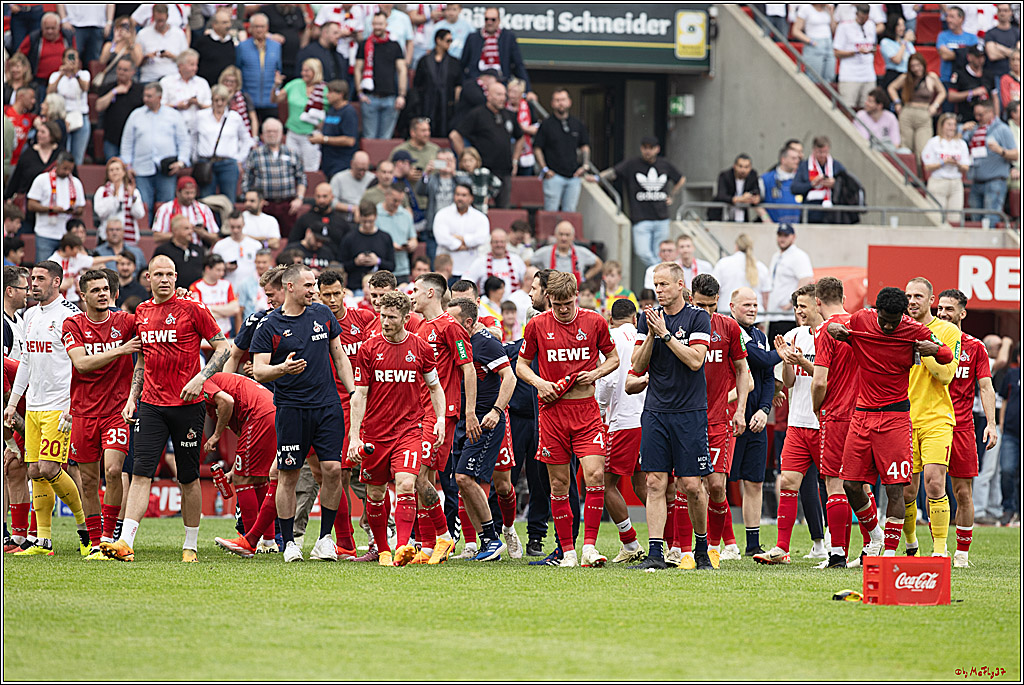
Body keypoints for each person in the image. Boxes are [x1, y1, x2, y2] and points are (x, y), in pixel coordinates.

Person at [98, 254, 229, 562]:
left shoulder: (193, 308)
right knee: (141, 473)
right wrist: (133, 398)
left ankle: (191, 545)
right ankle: (125, 542)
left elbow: (223, 346)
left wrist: (201, 377)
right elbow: (141, 360)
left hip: (188, 405)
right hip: (151, 405)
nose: (165, 279)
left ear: (176, 276)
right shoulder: (141, 312)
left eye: (170, 274)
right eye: (159, 274)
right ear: (149, 279)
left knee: (188, 477)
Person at [827, 287, 954, 558]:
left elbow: (946, 355)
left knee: (896, 487)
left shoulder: (912, 329)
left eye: (893, 321)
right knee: (850, 483)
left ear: (903, 316)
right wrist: (836, 331)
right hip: (862, 415)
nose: (887, 325)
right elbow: (832, 327)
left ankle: (889, 554)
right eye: (884, 319)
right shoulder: (861, 319)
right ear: (876, 311)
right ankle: (875, 536)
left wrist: (935, 349)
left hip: (895, 417)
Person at [250, 264, 355, 562]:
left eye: (314, 285)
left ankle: (324, 540)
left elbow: (339, 354)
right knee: (289, 474)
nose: (314, 290)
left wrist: (353, 390)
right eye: (308, 285)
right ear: (290, 288)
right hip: (292, 409)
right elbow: (258, 370)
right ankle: (290, 543)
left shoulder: (323, 315)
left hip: (328, 406)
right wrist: (282, 369)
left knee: (333, 470)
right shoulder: (269, 325)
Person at [514, 271, 617, 568]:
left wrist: (595, 373)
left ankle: (589, 547)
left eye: (568, 304)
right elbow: (521, 365)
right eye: (557, 304)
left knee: (595, 475)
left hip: (585, 411)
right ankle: (567, 552)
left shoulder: (594, 321)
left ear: (577, 297)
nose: (563, 309)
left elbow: (613, 359)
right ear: (549, 299)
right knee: (558, 484)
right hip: (552, 413)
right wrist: (539, 383)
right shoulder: (536, 325)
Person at [624, 262, 713, 571]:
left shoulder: (698, 317)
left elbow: (695, 360)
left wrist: (665, 335)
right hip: (656, 411)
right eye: (655, 284)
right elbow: (636, 365)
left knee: (690, 484)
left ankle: (702, 549)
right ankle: (655, 553)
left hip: (689, 412)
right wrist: (651, 334)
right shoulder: (646, 320)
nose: (659, 290)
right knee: (654, 482)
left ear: (679, 284)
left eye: (663, 284)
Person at [347, 290, 442, 566]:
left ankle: (402, 546)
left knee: (406, 483)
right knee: (375, 493)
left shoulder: (421, 347)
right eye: (382, 316)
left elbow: (435, 387)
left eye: (391, 317)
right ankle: (384, 550)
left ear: (405, 317)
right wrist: (355, 437)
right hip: (375, 433)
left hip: (409, 431)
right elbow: (360, 395)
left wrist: (439, 421)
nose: (385, 321)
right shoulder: (369, 349)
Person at [3, 262, 87, 557]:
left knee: (50, 468)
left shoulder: (71, 316)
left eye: (39, 279)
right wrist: (13, 404)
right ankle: (44, 541)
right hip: (35, 406)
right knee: (35, 471)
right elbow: (25, 362)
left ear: (56, 282)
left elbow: (81, 366)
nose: (33, 284)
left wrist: (73, 406)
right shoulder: (29, 315)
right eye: (32, 279)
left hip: (59, 405)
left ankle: (84, 528)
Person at [61, 269, 138, 556]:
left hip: (117, 410)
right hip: (83, 411)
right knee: (90, 480)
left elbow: (154, 317)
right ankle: (93, 542)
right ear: (83, 295)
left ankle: (108, 536)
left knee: (114, 470)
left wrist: (179, 298)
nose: (103, 294)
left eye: (106, 288)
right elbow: (81, 364)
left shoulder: (125, 321)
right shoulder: (73, 325)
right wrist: (121, 351)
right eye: (95, 290)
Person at [754, 284, 828, 565]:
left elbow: (827, 379)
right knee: (788, 481)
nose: (798, 311)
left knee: (836, 485)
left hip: (824, 423)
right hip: (798, 422)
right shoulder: (794, 335)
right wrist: (787, 361)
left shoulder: (829, 335)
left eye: (803, 306)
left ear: (817, 305)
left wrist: (803, 362)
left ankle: (839, 545)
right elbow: (791, 381)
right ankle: (781, 548)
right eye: (796, 306)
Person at [407, 272, 476, 563]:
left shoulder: (450, 327)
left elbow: (469, 369)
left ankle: (444, 536)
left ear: (432, 294)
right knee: (427, 479)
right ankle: (426, 545)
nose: (413, 295)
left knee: (418, 478)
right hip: (417, 412)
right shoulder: (422, 328)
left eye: (417, 290)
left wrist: (470, 412)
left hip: (440, 415)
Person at [445, 295, 518, 560]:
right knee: (461, 483)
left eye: (451, 320)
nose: (446, 325)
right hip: (463, 421)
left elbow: (509, 377)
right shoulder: (458, 344)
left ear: (467, 321)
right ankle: (486, 543)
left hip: (483, 422)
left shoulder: (485, 343)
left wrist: (496, 411)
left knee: (468, 479)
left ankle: (493, 538)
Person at [688, 274, 749, 563]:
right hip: (685, 418)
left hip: (718, 420)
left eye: (712, 305)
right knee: (686, 486)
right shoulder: (680, 325)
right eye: (701, 305)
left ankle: (715, 547)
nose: (707, 312)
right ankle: (680, 548)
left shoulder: (728, 327)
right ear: (690, 299)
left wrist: (739, 409)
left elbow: (742, 371)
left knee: (715, 485)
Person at [935, 288, 998, 567]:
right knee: (930, 487)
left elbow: (985, 386)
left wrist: (991, 424)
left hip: (961, 426)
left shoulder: (974, 347)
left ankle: (961, 554)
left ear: (962, 313)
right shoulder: (926, 341)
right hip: (930, 424)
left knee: (962, 492)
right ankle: (933, 548)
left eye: (949, 309)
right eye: (940, 308)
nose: (943, 313)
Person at [901, 277, 962, 558]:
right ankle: (911, 541)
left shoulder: (948, 331)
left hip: (937, 418)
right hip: (902, 418)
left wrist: (924, 349)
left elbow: (946, 374)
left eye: (918, 296)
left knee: (935, 482)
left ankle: (940, 549)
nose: (912, 301)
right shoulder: (896, 328)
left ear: (931, 299)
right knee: (906, 492)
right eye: (908, 296)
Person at [728, 287, 781, 557]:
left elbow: (769, 376)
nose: (752, 309)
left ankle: (752, 543)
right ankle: (722, 542)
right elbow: (761, 359)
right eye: (746, 304)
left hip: (757, 420)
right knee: (720, 482)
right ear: (732, 306)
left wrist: (763, 409)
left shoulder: (760, 334)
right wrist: (782, 353)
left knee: (755, 482)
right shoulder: (731, 332)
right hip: (731, 419)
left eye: (755, 305)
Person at [204, 371, 280, 557]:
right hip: (272, 412)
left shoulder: (204, 383)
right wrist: (237, 468)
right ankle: (269, 541)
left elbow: (227, 402)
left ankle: (247, 541)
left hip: (259, 416)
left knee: (243, 480)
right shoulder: (224, 379)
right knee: (260, 479)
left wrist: (216, 436)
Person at [593, 299, 646, 563]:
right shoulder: (644, 336)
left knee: (603, 483)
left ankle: (630, 542)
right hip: (648, 419)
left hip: (623, 420)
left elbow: (607, 379)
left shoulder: (609, 339)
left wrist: (599, 410)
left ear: (610, 318)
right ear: (635, 318)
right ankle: (673, 542)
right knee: (645, 483)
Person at [597, 136, 685, 268]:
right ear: (641, 148)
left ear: (657, 149)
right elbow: (614, 172)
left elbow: (681, 179)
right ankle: (659, 271)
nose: (647, 151)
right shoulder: (632, 164)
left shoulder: (664, 164)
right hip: (640, 218)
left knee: (662, 253)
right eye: (645, 148)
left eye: (651, 148)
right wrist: (596, 177)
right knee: (643, 252)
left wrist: (672, 195)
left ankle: (658, 278)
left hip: (661, 218)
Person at [120, 82, 191, 220]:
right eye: (145, 96)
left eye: (149, 96)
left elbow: (184, 140)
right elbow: (127, 142)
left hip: (167, 169)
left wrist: (181, 162)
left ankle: (163, 233)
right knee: (144, 206)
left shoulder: (173, 115)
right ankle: (146, 237)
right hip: (141, 169)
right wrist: (127, 165)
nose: (145, 99)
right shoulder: (136, 115)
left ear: (159, 97)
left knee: (166, 206)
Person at [450, 82, 524, 208]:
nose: (503, 98)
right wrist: (466, 158)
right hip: (482, 172)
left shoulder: (509, 115)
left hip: (505, 171)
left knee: (503, 211)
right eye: (499, 94)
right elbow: (454, 135)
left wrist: (515, 160)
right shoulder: (477, 114)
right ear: (488, 95)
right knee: (479, 208)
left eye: (504, 95)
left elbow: (520, 137)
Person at [242, 118, 307, 237]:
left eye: (275, 131)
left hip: (288, 205)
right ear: (263, 135)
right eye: (268, 131)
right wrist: (254, 200)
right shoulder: (255, 154)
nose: (272, 134)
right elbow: (247, 179)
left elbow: (301, 177)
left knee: (288, 238)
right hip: (265, 205)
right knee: (265, 238)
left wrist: (299, 199)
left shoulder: (292, 153)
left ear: (281, 134)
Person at [533, 89, 591, 213]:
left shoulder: (577, 124)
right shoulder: (546, 124)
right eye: (557, 100)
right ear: (552, 103)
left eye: (563, 100)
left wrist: (585, 166)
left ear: (569, 102)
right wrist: (544, 169)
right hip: (553, 176)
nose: (561, 103)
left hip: (574, 177)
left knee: (570, 212)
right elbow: (537, 148)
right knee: (550, 212)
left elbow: (584, 145)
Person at [355, 12, 408, 140]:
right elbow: (358, 69)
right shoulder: (364, 45)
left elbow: (402, 70)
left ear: (386, 25)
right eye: (375, 24)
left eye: (380, 24)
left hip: (390, 98)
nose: (377, 27)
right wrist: (360, 93)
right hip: (370, 97)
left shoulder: (394, 45)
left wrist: (401, 95)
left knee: (385, 139)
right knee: (369, 138)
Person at [963, 100, 1018, 223]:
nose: (977, 118)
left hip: (995, 182)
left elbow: (1015, 155)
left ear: (990, 112)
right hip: (976, 181)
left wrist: (1000, 151)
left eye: (981, 115)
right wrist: (962, 131)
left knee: (990, 219)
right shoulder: (974, 129)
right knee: (975, 220)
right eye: (976, 115)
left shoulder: (1003, 129)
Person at [25, 151, 85, 262]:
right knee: (44, 268)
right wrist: (51, 209)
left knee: (64, 270)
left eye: (70, 169)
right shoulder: (42, 179)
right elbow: (31, 205)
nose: (67, 172)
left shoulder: (76, 183)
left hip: (66, 234)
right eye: (64, 168)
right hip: (45, 233)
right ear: (57, 164)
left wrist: (73, 210)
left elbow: (81, 207)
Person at [194, 84, 252, 199]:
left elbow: (246, 139)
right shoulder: (201, 116)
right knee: (206, 200)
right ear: (212, 100)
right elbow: (193, 138)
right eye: (216, 100)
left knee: (228, 200)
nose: (219, 103)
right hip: (206, 163)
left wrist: (240, 159)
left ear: (227, 101)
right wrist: (195, 156)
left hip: (228, 163)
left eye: (222, 100)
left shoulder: (234, 117)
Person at [5, 120, 60, 236]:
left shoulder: (61, 155)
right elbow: (16, 178)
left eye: (43, 132)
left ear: (52, 135)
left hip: (52, 211)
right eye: (38, 131)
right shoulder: (28, 154)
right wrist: (7, 197)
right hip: (27, 209)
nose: (39, 134)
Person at [888, 54, 946, 159]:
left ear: (923, 65)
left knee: (923, 149)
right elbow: (891, 87)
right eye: (913, 66)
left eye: (918, 65)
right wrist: (897, 102)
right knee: (906, 147)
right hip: (907, 112)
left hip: (924, 113)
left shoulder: (931, 77)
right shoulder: (905, 77)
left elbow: (942, 92)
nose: (916, 69)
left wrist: (935, 105)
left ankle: (920, 173)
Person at [461, 6, 531, 90]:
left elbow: (518, 65)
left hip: (501, 81)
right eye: (486, 19)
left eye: (493, 20)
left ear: (499, 21)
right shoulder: (473, 37)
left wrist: (527, 90)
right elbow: (463, 64)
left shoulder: (508, 37)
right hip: (477, 82)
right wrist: (462, 84)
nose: (489, 22)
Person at [766, 224, 815, 340]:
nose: (782, 239)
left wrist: (792, 303)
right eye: (780, 235)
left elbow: (806, 279)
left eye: (786, 235)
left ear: (793, 237)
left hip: (787, 317)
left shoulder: (798, 256)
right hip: (774, 314)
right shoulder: (777, 256)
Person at [921, 112, 972, 220]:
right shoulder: (933, 142)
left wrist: (957, 164)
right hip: (938, 181)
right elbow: (927, 166)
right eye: (949, 124)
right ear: (942, 125)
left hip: (955, 182)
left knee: (955, 217)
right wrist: (944, 162)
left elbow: (966, 167)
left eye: (954, 125)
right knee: (936, 217)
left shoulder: (961, 143)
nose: (952, 128)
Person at [432, 183, 489, 277]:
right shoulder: (442, 214)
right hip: (446, 270)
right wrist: (466, 245)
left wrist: (461, 239)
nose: (460, 198)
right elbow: (442, 239)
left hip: (471, 268)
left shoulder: (480, 217)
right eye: (457, 194)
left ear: (471, 198)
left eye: (464, 195)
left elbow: (481, 238)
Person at [235, 14, 283, 125]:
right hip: (249, 100)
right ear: (250, 28)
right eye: (256, 26)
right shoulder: (242, 47)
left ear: (267, 28)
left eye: (262, 26)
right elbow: (238, 70)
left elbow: (278, 70)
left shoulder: (276, 46)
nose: (259, 29)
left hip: (270, 101)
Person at [338, 200, 396, 292]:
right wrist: (356, 262)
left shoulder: (385, 238)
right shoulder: (349, 238)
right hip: (356, 287)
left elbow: (392, 266)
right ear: (359, 217)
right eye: (364, 221)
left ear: (376, 217)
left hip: (381, 289)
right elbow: (342, 265)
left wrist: (377, 261)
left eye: (370, 221)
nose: (367, 225)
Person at [413, 29, 462, 137]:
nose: (449, 43)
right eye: (447, 40)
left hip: (446, 104)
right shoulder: (424, 61)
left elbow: (458, 84)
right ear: (438, 40)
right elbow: (417, 83)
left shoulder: (454, 62)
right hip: (427, 102)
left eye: (451, 41)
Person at [17, 11, 76, 100]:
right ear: (42, 28)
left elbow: (73, 55)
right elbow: (19, 56)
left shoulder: (67, 37)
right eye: (47, 28)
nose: (50, 31)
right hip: (40, 83)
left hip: (63, 80)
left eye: (53, 28)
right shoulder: (34, 38)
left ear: (59, 27)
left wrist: (71, 67)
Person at [160, 49, 212, 149]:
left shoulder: (202, 83)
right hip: (172, 130)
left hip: (196, 131)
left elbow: (210, 106)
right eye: (192, 65)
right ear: (180, 65)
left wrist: (198, 104)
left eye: (196, 65)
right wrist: (176, 106)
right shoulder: (167, 82)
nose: (195, 68)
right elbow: (160, 104)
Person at [46, 48, 90, 166]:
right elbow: (49, 92)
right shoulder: (55, 75)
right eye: (69, 58)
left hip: (81, 117)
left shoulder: (84, 74)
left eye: (74, 58)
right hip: (62, 118)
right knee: (63, 153)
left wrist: (75, 74)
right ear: (63, 60)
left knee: (78, 157)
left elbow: (85, 88)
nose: (71, 61)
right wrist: (62, 74)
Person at [95, 61, 146, 163]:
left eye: (125, 70)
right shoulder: (108, 87)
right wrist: (114, 92)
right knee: (113, 170)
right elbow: (98, 107)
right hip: (112, 139)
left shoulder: (140, 90)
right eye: (119, 69)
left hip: (134, 139)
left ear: (133, 72)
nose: (121, 72)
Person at [792, 135, 847, 224]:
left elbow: (847, 186)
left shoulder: (836, 166)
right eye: (819, 152)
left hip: (832, 214)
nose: (822, 155)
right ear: (814, 150)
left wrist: (834, 184)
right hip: (811, 214)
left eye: (825, 152)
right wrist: (812, 184)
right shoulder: (805, 166)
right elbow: (794, 188)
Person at [152, 176, 220, 246]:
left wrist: (203, 233)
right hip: (173, 250)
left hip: (198, 250)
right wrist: (179, 235)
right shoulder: (165, 209)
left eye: (192, 193)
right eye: (187, 193)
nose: (190, 196)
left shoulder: (204, 209)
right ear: (178, 192)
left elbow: (215, 236)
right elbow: (157, 237)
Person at [530, 221, 603, 286]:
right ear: (555, 235)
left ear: (573, 237)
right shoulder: (545, 252)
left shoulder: (581, 252)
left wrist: (584, 278)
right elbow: (527, 263)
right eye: (561, 234)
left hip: (574, 294)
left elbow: (599, 263)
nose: (564, 238)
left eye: (567, 235)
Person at [833, 4, 878, 109]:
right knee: (848, 108)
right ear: (857, 14)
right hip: (850, 76)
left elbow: (873, 46)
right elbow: (836, 53)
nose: (864, 19)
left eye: (866, 17)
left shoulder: (871, 25)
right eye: (862, 17)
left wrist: (871, 51)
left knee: (868, 110)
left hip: (868, 75)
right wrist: (856, 52)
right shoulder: (844, 26)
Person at [311, 80, 359, 179]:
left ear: (340, 94)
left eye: (330, 92)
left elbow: (350, 140)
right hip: (328, 162)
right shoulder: (331, 110)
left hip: (341, 164)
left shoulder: (348, 112)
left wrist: (324, 140)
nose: (327, 95)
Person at [711, 234, 769, 315]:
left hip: (728, 313)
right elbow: (765, 297)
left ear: (736, 246)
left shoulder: (723, 264)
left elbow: (714, 290)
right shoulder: (761, 267)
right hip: (754, 316)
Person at [289, 182, 352, 254]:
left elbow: (347, 248)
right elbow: (293, 244)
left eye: (325, 196)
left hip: (333, 262)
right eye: (318, 196)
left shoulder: (341, 222)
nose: (321, 200)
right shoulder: (304, 219)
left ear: (332, 197)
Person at [463, 228, 526, 298]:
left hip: (512, 305)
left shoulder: (516, 260)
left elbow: (527, 280)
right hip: (488, 305)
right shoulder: (481, 261)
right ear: (490, 243)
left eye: (502, 242)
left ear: (506, 243)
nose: (499, 245)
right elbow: (466, 281)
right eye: (496, 242)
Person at [135, 4, 189, 84]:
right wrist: (146, 57)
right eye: (158, 21)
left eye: (162, 21)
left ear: (167, 17)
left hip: (172, 78)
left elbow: (186, 60)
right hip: (150, 78)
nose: (160, 24)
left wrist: (172, 56)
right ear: (153, 17)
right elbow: (136, 62)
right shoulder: (142, 34)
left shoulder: (178, 34)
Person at [997, 345, 1021, 526]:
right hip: (1011, 433)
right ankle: (1008, 509)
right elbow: (1004, 399)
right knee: (1007, 470)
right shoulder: (1012, 375)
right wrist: (1002, 423)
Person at [189, 254, 241, 335]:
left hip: (225, 333)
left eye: (223, 270)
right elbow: (198, 314)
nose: (222, 273)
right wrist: (225, 311)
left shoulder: (226, 285)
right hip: (204, 336)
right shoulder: (196, 287)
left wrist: (209, 308)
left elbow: (235, 309)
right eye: (218, 270)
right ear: (208, 269)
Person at [375, 187, 417, 282]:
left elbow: (413, 238)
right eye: (394, 201)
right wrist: (390, 245)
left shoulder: (406, 215)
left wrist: (412, 244)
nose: (397, 204)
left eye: (400, 201)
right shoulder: (376, 214)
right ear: (386, 196)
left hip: (402, 268)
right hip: (382, 269)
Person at [153, 215, 207, 288]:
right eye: (186, 229)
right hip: (173, 294)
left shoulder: (199, 249)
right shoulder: (163, 250)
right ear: (175, 231)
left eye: (191, 229)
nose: (191, 232)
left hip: (196, 294)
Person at [948, 45, 996, 125]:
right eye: (977, 57)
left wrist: (995, 117)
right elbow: (951, 96)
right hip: (966, 119)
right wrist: (972, 92)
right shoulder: (959, 74)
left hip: (986, 120)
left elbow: (995, 98)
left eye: (982, 56)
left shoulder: (989, 74)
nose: (980, 60)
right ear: (969, 57)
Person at [936, 6, 978, 94]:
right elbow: (945, 55)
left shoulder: (972, 38)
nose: (948, 20)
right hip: (947, 78)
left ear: (961, 19)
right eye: (947, 16)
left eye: (952, 17)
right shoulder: (942, 36)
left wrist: (954, 53)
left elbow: (974, 58)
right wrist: (964, 52)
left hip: (967, 79)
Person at [96, 16, 144, 92]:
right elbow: (102, 61)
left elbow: (137, 62)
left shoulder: (136, 46)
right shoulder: (109, 45)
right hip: (111, 78)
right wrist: (114, 42)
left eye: (126, 27)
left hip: (130, 79)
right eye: (120, 26)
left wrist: (130, 43)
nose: (123, 30)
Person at [260, 4, 308, 80]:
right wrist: (271, 36)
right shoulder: (266, 10)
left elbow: (304, 30)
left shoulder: (297, 11)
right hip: (276, 61)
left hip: (294, 60)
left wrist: (303, 48)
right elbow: (256, 29)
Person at [710, 154, 761, 222]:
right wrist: (740, 199)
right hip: (722, 214)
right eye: (740, 166)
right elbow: (721, 195)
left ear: (750, 168)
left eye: (746, 167)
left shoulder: (753, 175)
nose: (743, 170)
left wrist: (753, 197)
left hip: (741, 214)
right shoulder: (725, 176)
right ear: (734, 166)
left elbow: (756, 190)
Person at [793, 4, 837, 82]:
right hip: (814, 44)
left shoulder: (827, 9)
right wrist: (811, 42)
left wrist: (831, 13)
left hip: (828, 44)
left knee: (829, 76)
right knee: (814, 78)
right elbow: (795, 31)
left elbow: (834, 29)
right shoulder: (805, 8)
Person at [758, 146, 802, 224]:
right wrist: (766, 219)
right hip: (773, 229)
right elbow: (755, 202)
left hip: (796, 229)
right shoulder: (766, 179)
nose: (797, 161)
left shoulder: (801, 179)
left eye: (798, 158)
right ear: (783, 159)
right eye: (793, 158)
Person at [192, 9, 235, 86]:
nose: (228, 26)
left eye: (229, 22)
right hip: (206, 87)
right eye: (224, 23)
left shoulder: (231, 42)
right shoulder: (202, 42)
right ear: (214, 24)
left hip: (225, 89)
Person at [218, 66, 260, 142]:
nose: (228, 84)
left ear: (237, 83)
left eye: (232, 81)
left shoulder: (244, 97)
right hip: (223, 135)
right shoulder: (217, 97)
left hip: (242, 134)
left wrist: (254, 138)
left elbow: (253, 119)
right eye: (226, 81)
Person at [331, 150, 373, 218]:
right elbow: (332, 202)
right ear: (352, 164)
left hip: (367, 216)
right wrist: (351, 208)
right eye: (359, 169)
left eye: (364, 170)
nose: (362, 173)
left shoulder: (372, 179)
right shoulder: (338, 178)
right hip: (345, 216)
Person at [878, 14, 915, 89]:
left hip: (907, 76)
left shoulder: (907, 43)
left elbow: (914, 58)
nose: (902, 28)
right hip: (894, 75)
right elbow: (897, 60)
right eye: (899, 25)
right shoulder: (886, 42)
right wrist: (905, 42)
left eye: (903, 25)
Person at [984, 4, 1019, 83]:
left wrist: (1000, 48)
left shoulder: (1017, 32)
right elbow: (992, 55)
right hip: (996, 76)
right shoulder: (990, 33)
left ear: (1011, 13)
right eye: (1000, 11)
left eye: (1005, 11)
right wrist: (1011, 52)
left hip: (1014, 76)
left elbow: (1019, 54)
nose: (1002, 13)